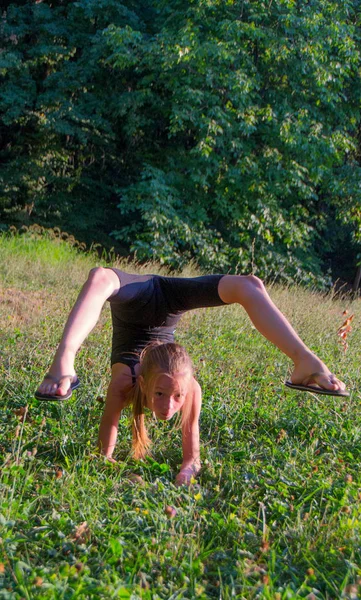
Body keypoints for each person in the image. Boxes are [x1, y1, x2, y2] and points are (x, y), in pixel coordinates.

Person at [35, 268, 348, 485]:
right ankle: (64, 361)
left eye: (176, 397)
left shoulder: (190, 389)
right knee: (101, 276)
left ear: (186, 389)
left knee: (249, 284)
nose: (169, 407)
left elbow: (192, 458)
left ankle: (306, 362)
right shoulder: (126, 382)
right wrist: (105, 459)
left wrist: (189, 469)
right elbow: (102, 455)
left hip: (171, 300)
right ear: (143, 385)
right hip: (135, 297)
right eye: (160, 394)